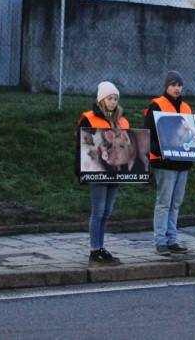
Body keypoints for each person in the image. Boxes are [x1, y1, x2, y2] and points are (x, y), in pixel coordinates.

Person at [76, 81, 128, 267]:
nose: (113, 102)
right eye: (109, 98)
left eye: (115, 99)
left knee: (107, 210)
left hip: (114, 171)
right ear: (101, 100)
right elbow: (81, 146)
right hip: (97, 170)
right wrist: (81, 170)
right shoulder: (89, 118)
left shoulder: (122, 121)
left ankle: (101, 247)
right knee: (98, 209)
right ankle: (94, 249)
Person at [144, 70, 193, 256]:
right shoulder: (157, 105)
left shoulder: (187, 108)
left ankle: (172, 239)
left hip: (183, 162)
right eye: (173, 85)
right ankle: (160, 241)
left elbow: (190, 133)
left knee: (176, 203)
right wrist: (159, 151)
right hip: (165, 163)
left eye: (179, 85)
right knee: (164, 202)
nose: (177, 88)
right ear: (166, 87)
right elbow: (147, 134)